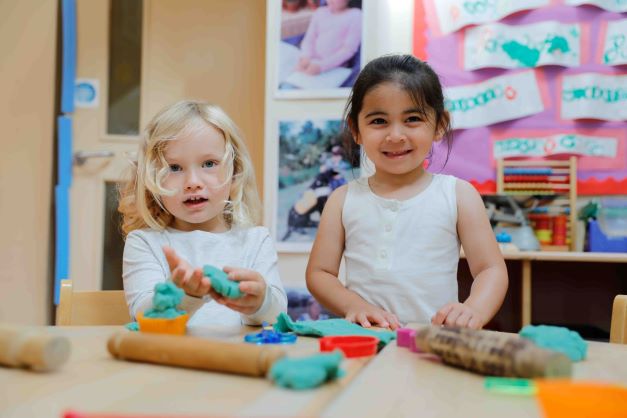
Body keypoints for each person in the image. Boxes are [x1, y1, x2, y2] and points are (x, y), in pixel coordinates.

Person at [306, 55, 508, 330]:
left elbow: (491, 270)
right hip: (368, 341)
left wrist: (473, 310)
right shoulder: (342, 200)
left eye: (412, 119)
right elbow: (320, 273)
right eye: (379, 121)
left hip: (434, 343)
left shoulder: (459, 195)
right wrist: (354, 305)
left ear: (439, 125)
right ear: (356, 130)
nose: (395, 135)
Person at [119, 100, 287, 326]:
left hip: (237, 359)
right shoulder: (144, 242)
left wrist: (259, 302)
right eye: (175, 168)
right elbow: (142, 317)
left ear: (235, 171)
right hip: (168, 360)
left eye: (209, 163)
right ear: (150, 178)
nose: (193, 183)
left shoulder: (255, 240)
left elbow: (277, 317)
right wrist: (187, 296)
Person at [294, 0, 362, 76]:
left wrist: (322, 66)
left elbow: (348, 49)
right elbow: (309, 39)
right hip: (311, 61)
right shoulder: (320, 12)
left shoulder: (355, 15)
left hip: (335, 68)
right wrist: (305, 57)